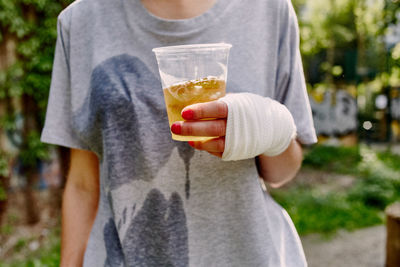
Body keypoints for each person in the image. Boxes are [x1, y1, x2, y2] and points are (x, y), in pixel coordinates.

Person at [41, 0, 317, 266]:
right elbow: (82, 184)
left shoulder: (270, 9)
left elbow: (282, 173)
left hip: (251, 254)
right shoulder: (80, 22)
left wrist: (269, 127)